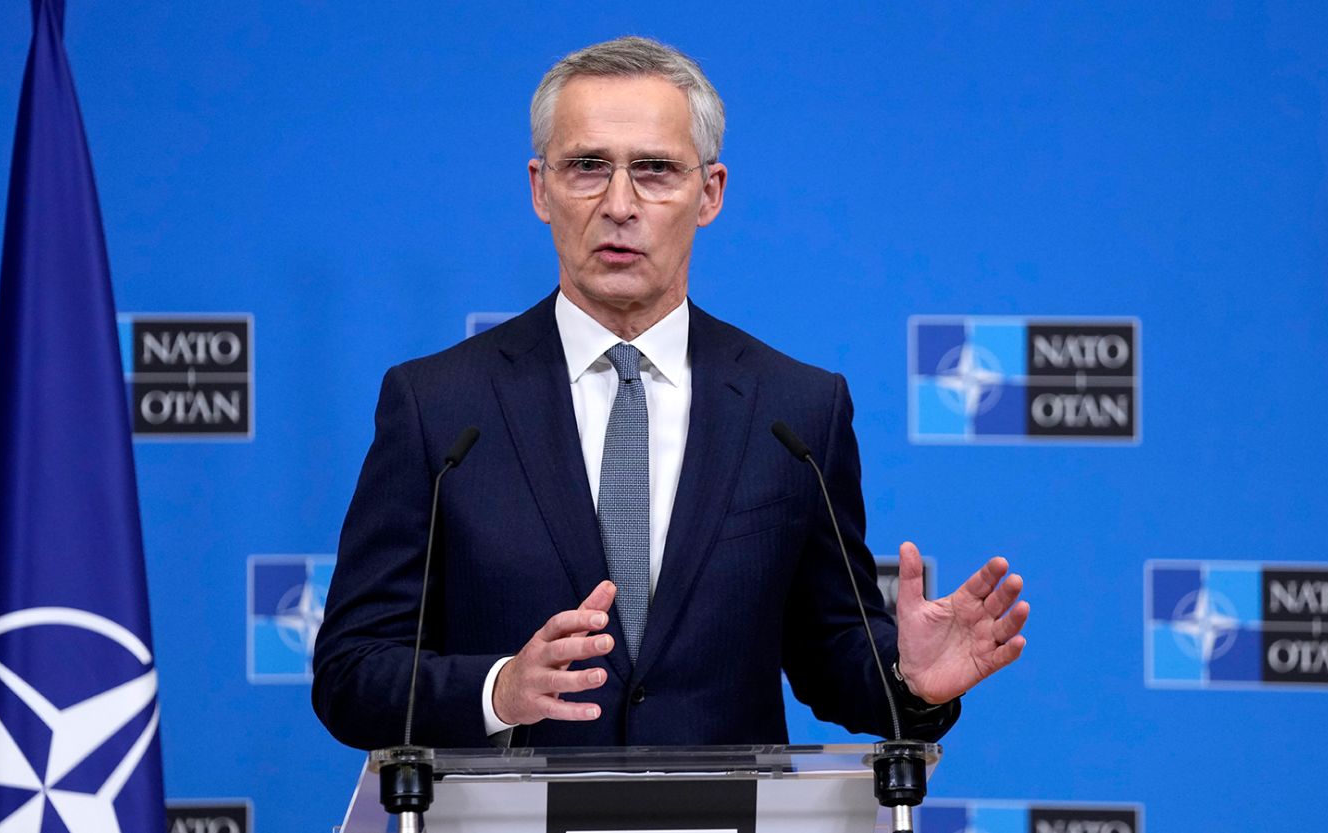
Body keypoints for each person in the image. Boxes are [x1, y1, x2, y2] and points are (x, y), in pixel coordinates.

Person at [312, 36, 1028, 750]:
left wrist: (907, 677)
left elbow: (829, 652)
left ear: (709, 193)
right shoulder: (438, 405)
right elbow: (352, 671)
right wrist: (500, 688)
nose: (619, 204)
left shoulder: (796, 411)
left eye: (654, 170)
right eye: (588, 167)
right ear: (540, 188)